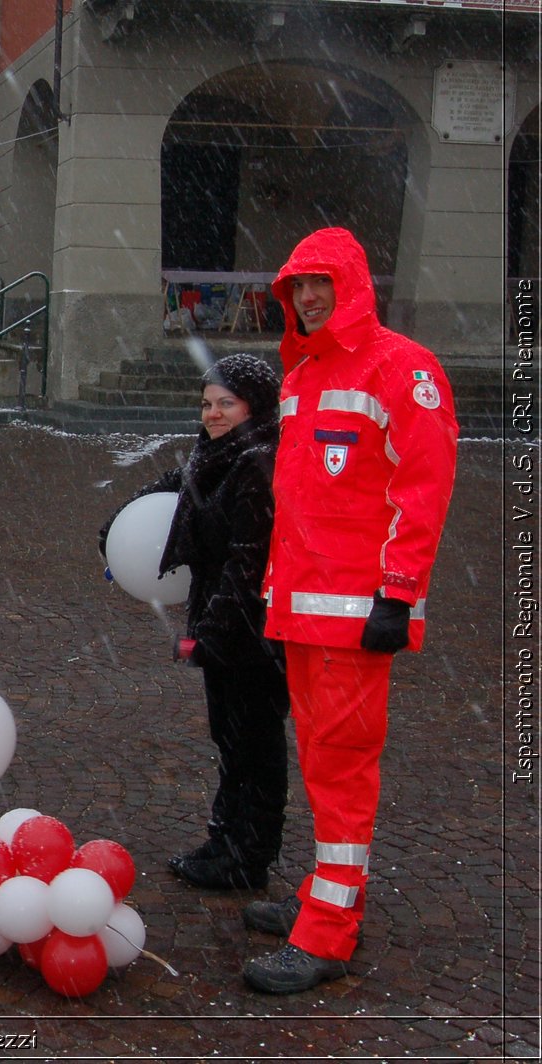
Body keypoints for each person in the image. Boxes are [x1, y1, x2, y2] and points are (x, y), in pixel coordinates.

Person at [241, 227, 459, 994]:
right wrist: (275, 603)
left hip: (354, 617)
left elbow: (422, 490)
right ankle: (321, 899)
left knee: (341, 774)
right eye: (297, 287)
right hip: (304, 614)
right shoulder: (301, 375)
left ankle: (329, 931)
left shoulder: (404, 370)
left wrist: (398, 593)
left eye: (319, 285)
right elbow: (299, 506)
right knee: (321, 767)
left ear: (352, 286)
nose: (306, 298)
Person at [102, 353, 289, 891]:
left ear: (254, 407)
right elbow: (176, 485)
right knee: (230, 738)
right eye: (207, 403)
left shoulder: (258, 464)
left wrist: (213, 632)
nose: (212, 414)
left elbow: (247, 562)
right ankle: (224, 840)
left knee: (255, 742)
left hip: (254, 632)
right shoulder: (218, 455)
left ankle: (248, 857)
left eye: (225, 403)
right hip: (222, 621)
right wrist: (120, 519)